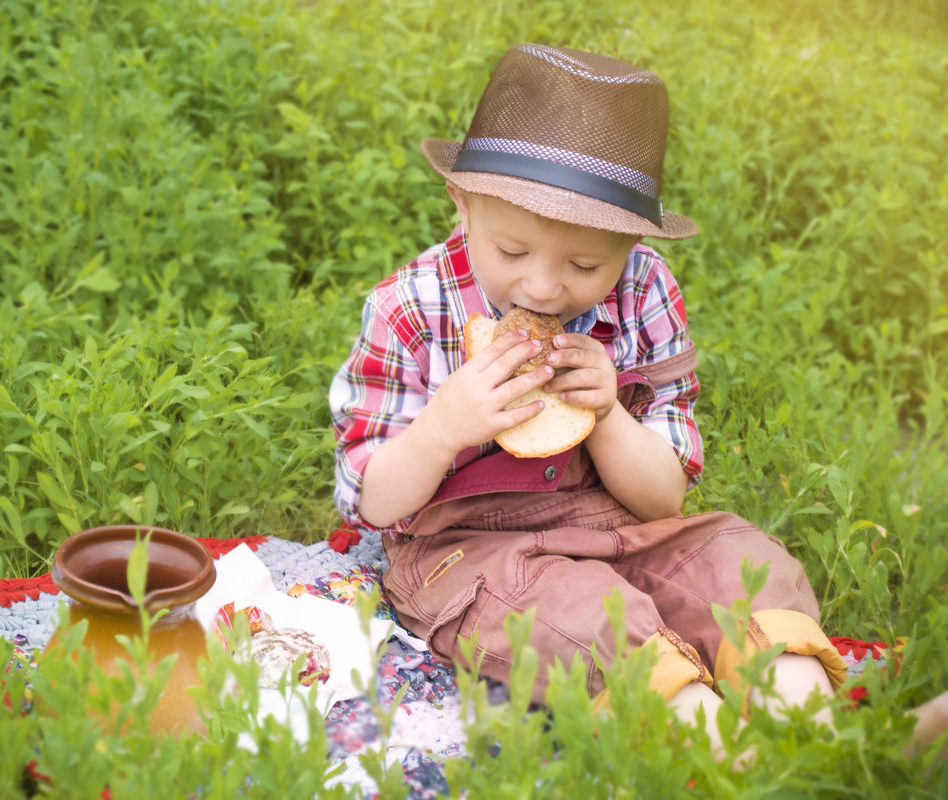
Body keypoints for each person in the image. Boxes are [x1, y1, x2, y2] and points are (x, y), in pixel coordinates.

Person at [329, 43, 893, 752]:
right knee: (583, 614)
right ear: (461, 202)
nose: (541, 288)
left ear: (631, 244)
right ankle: (717, 744)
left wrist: (605, 417)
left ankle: (809, 730)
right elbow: (374, 502)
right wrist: (445, 426)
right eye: (510, 252)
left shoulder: (646, 291)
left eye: (585, 265)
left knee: (741, 563)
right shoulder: (411, 308)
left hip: (619, 524)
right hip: (466, 549)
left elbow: (663, 502)